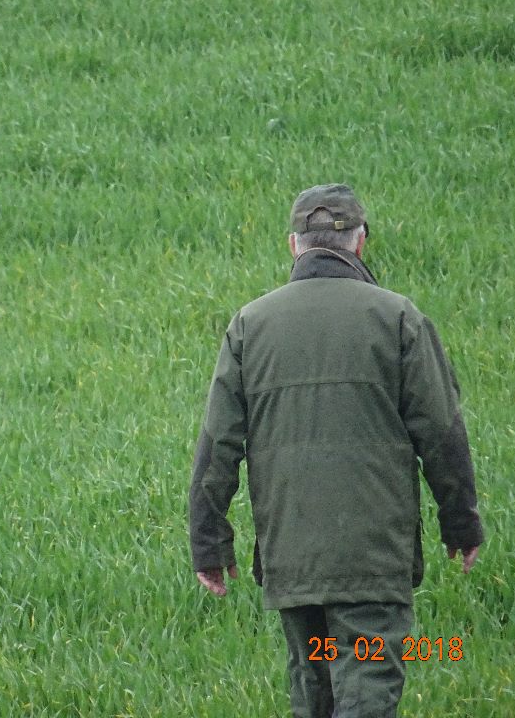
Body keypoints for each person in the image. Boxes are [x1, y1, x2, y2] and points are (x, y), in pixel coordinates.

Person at [188, 184, 484, 717]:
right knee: (367, 687)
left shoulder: (250, 325)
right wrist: (461, 523)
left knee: (313, 695)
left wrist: (209, 543)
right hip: (372, 555)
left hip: (291, 554)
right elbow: (442, 432)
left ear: (294, 245)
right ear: (360, 242)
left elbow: (218, 444)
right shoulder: (398, 318)